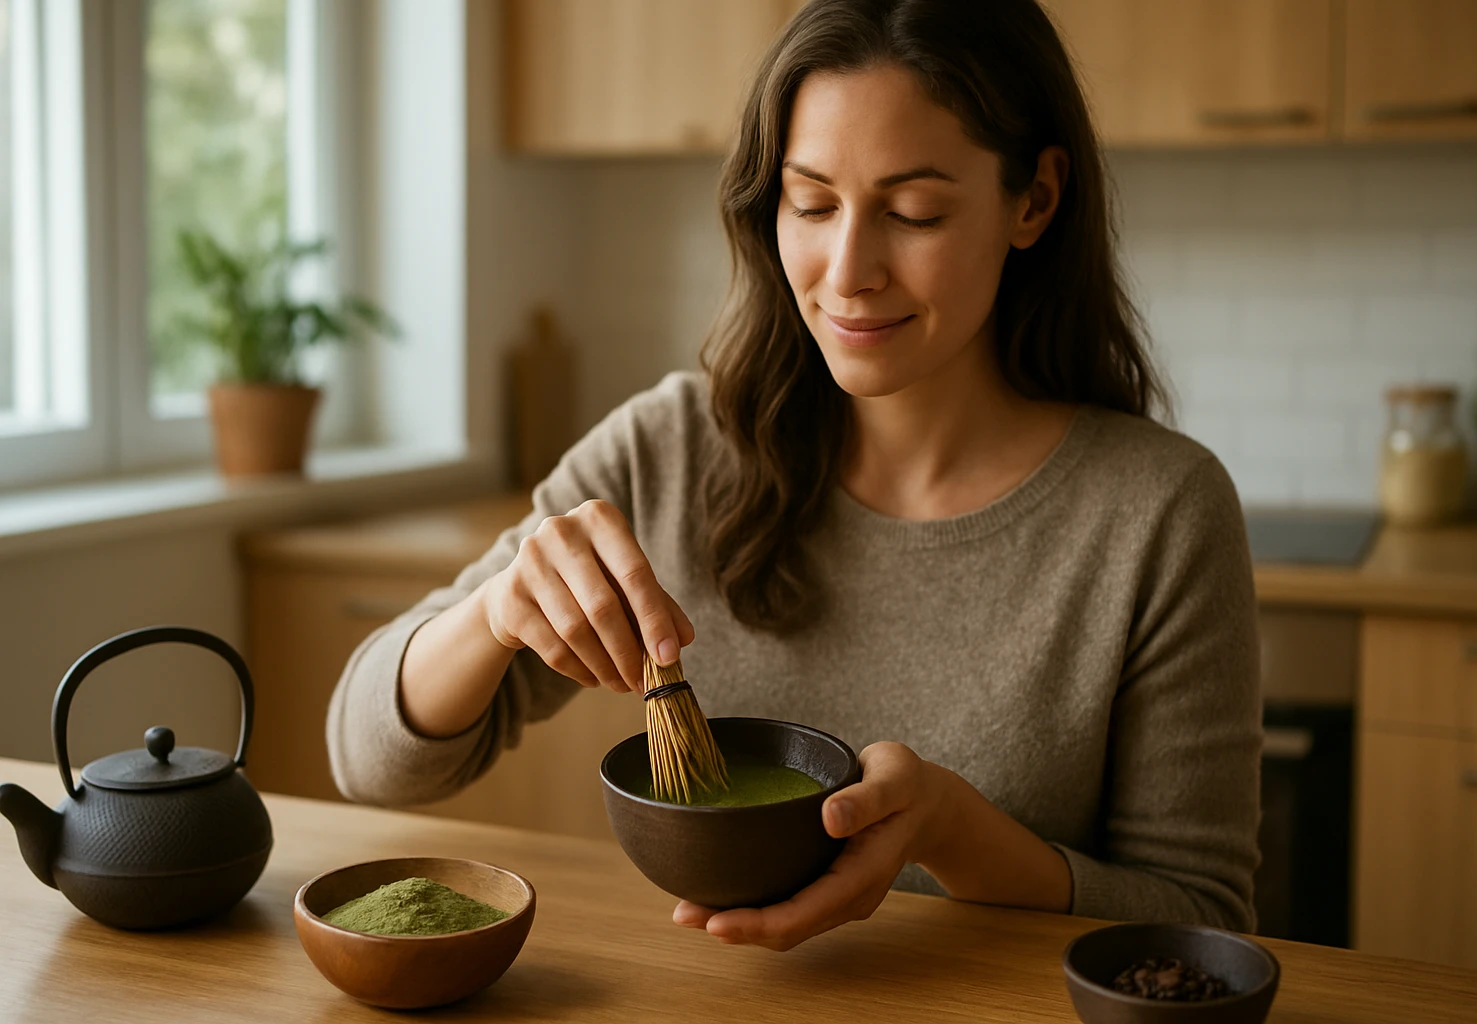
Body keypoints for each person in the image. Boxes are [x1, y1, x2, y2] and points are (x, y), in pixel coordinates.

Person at [327, 0, 1261, 952]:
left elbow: (1202, 918)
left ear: (1035, 200)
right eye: (811, 203)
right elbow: (370, 762)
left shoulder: (1160, 512)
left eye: (913, 212)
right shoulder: (670, 448)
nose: (847, 270)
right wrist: (490, 616)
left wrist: (953, 834)